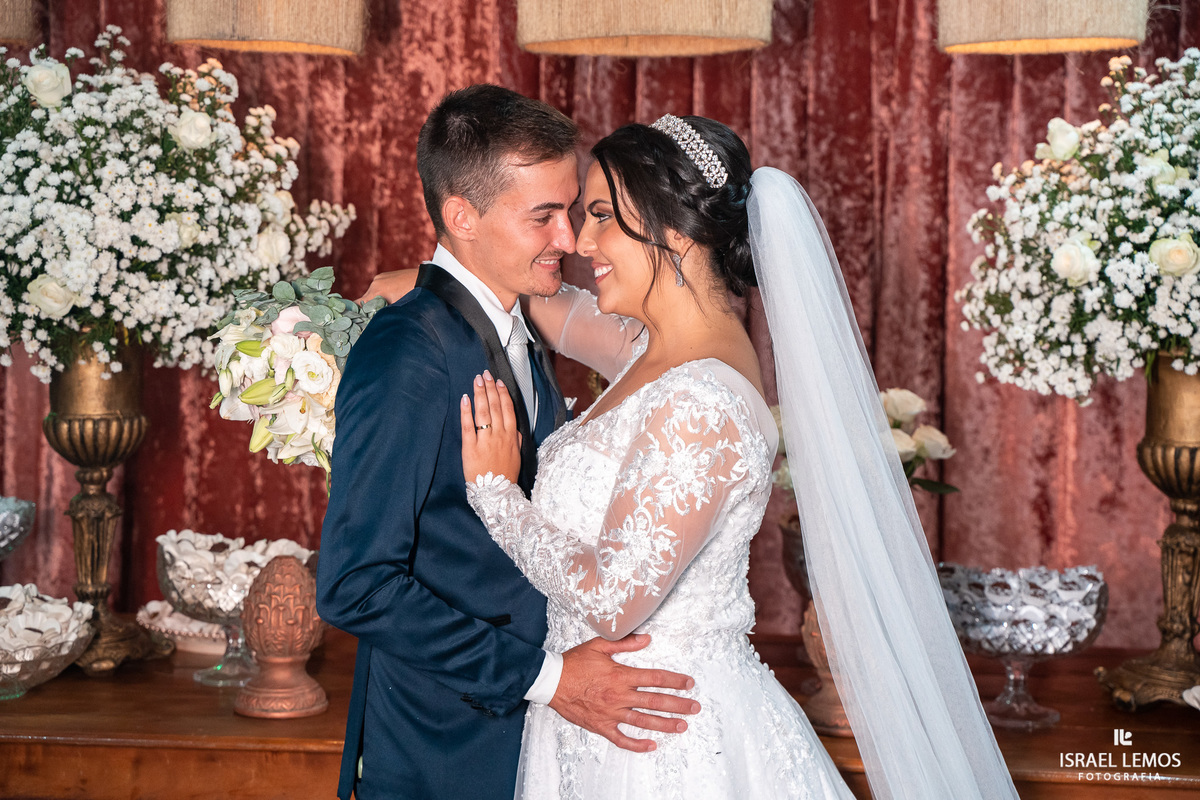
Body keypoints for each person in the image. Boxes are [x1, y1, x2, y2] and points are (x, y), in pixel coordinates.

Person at [456, 115, 1021, 799]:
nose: (580, 241)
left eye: (601, 214)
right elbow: (540, 305)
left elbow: (612, 601)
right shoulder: (647, 348)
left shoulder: (702, 398)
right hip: (601, 720)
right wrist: (421, 282)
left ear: (675, 228)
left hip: (666, 740)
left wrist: (494, 493)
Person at [315, 86, 700, 800]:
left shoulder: (513, 327)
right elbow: (352, 585)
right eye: (544, 217)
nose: (570, 240)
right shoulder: (407, 353)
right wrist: (551, 680)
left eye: (573, 211)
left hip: (523, 748)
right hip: (439, 753)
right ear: (462, 216)